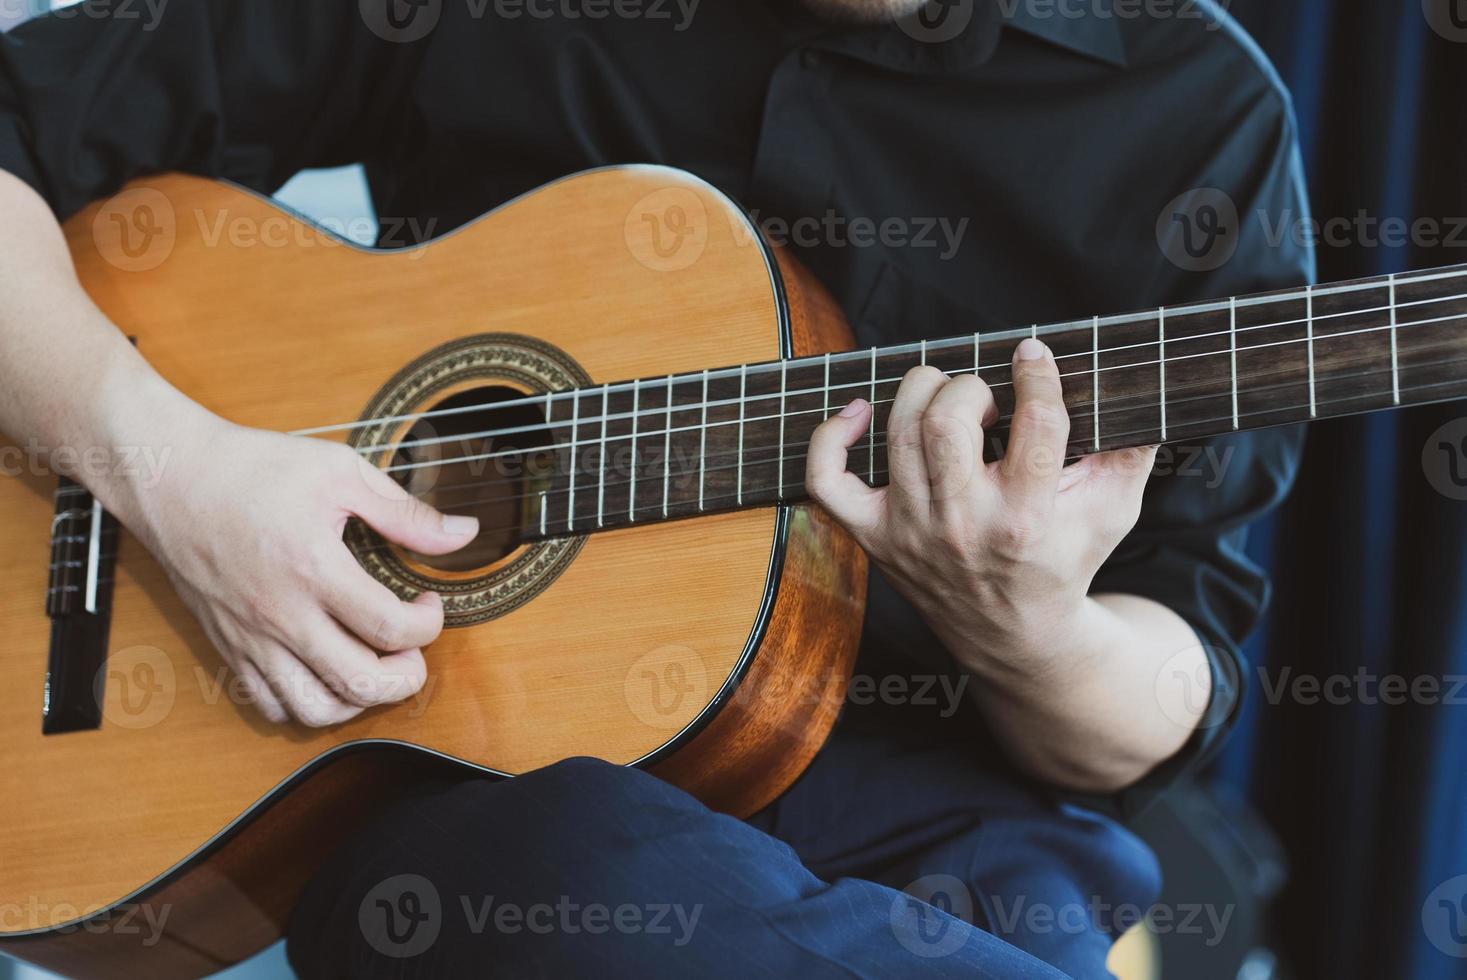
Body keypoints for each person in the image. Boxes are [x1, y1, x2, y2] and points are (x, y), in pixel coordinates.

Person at [0, 0, 1312, 975]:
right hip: (477, 791)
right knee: (576, 884)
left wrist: (1028, 629)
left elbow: (1171, 668)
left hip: (936, 820)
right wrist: (168, 470)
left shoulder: (1201, 118)